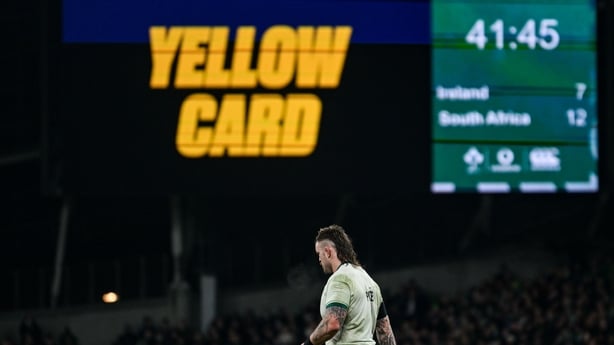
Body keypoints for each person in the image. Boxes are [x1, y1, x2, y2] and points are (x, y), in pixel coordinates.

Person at [302, 224, 397, 345]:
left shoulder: (340, 279)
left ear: (327, 252)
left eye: (318, 253)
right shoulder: (370, 282)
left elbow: (332, 324)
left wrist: (308, 343)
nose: (319, 259)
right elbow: (385, 332)